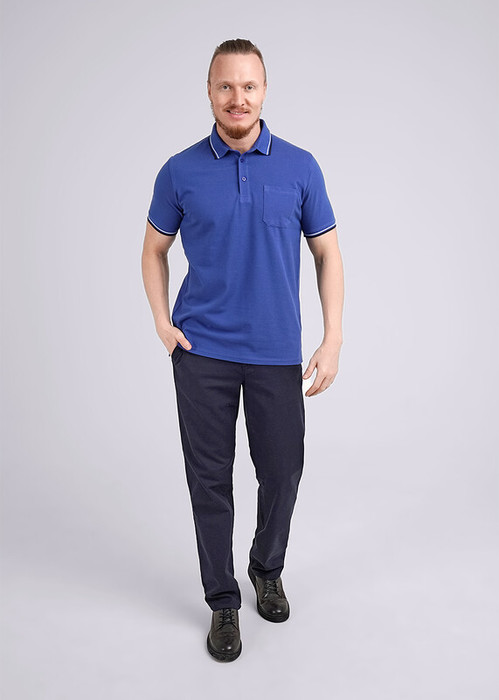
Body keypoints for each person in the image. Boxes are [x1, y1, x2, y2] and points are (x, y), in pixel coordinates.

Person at [141, 38, 344, 662]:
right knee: (210, 479)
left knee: (282, 470)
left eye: (248, 86)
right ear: (209, 92)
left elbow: (328, 253)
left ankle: (265, 567)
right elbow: (153, 250)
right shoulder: (179, 171)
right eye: (226, 86)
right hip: (201, 351)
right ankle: (222, 602)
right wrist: (163, 324)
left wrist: (333, 337)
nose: (238, 98)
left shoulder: (301, 167)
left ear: (264, 91)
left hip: (276, 352)